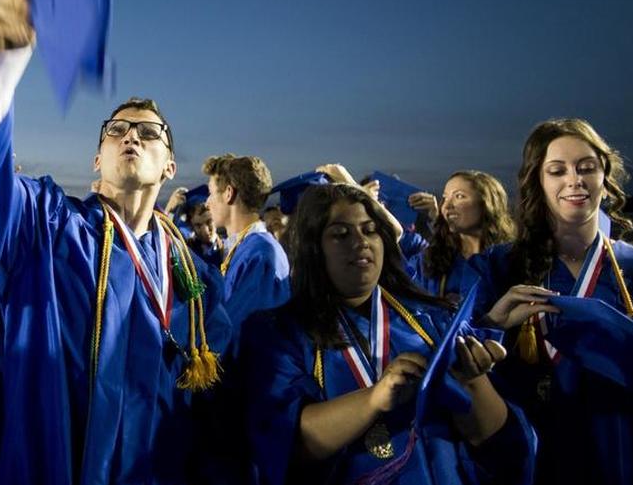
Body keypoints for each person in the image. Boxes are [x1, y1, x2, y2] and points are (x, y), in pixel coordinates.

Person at [0, 0, 231, 485]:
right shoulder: (46, 231)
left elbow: (215, 413)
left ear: (169, 167)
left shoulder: (197, 281)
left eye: (148, 132)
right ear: (98, 161)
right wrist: (1, 62)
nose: (131, 135)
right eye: (116, 130)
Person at [240, 183, 535, 484]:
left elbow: (498, 442)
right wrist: (374, 399)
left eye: (369, 230)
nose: (361, 242)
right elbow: (283, 441)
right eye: (341, 234)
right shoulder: (277, 332)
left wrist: (471, 381)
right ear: (312, 247)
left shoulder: (431, 319)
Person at [472, 118, 633, 484]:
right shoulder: (500, 266)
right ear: (537, 180)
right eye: (557, 170)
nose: (574, 180)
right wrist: (493, 324)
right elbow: (462, 363)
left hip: (620, 443)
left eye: (587, 167)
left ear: (604, 177)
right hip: (533, 448)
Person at [203, 153, 289, 331]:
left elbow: (235, 328)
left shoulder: (261, 254)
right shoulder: (243, 246)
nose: (206, 203)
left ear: (228, 193)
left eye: (211, 193)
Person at [408, 171, 514, 306]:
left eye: (459, 196)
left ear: (486, 204)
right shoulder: (428, 261)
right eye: (445, 198)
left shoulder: (511, 260)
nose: (447, 205)